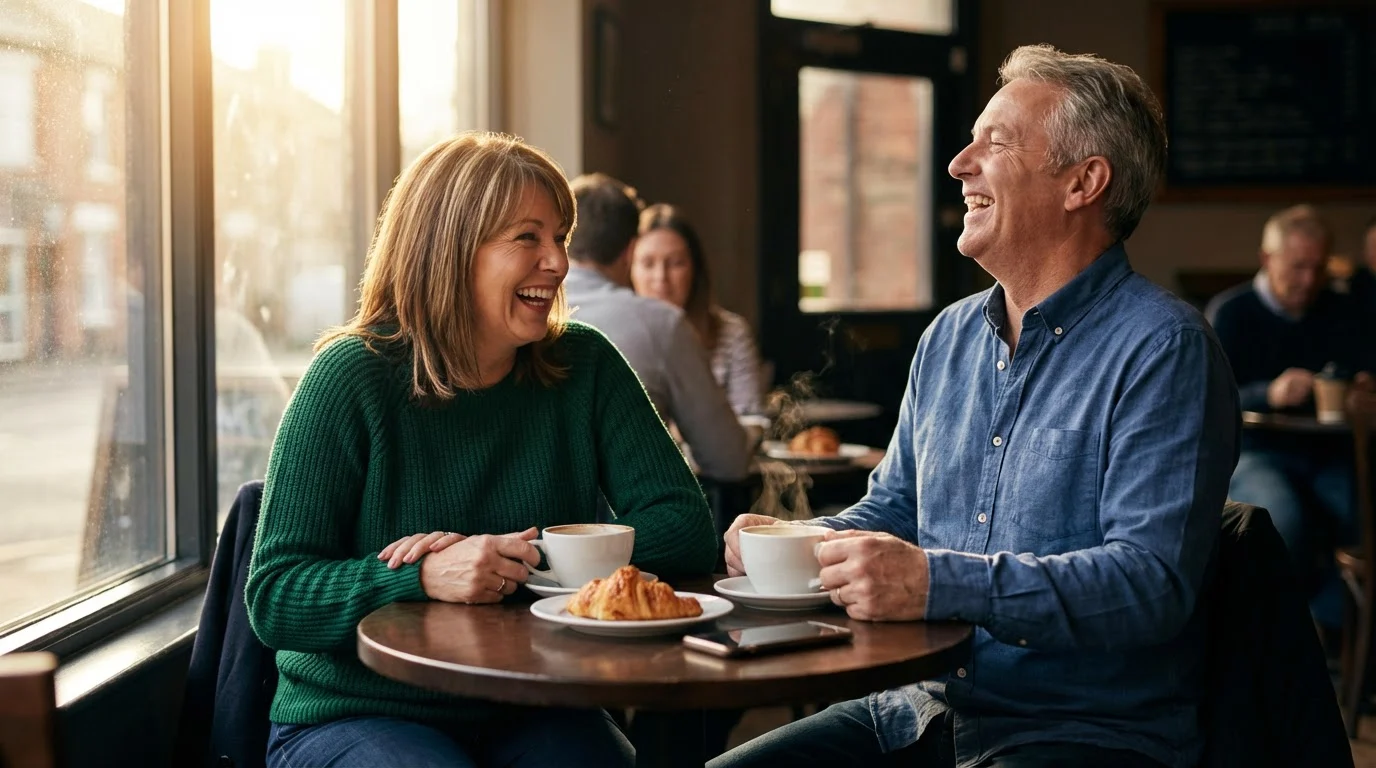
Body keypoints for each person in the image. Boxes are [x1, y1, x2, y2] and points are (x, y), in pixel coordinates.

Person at [713, 44, 1240, 768]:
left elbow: (1149, 584)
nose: (959, 164)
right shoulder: (948, 338)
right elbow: (894, 513)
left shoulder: (1165, 348)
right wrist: (799, 539)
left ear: (1083, 182)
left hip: (1080, 732)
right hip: (910, 708)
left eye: (994, 143)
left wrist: (935, 581)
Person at [245, 132, 718, 768]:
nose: (557, 263)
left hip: (539, 703)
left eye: (560, 239)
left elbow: (685, 527)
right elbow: (275, 595)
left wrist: (516, 558)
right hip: (361, 711)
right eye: (528, 237)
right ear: (450, 250)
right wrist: (421, 574)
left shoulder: (587, 364)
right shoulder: (350, 376)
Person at [1205, 204, 1375, 624]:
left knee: (1365, 519)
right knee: (1282, 520)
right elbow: (1207, 399)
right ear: (1267, 259)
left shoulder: (1342, 310)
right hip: (1258, 450)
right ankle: (1280, 634)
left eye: (1318, 268)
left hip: (1330, 451)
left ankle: (1330, 629)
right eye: (1298, 267)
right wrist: (1269, 392)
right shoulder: (1232, 312)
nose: (1308, 280)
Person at [562, 173, 750, 481]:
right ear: (631, 251)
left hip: (520, 524)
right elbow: (728, 460)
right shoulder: (662, 324)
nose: (661, 278)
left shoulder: (521, 314)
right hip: (626, 522)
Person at [632, 203, 765, 416]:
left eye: (675, 263)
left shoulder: (731, 333)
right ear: (630, 268)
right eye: (648, 264)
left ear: (695, 269)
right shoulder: (618, 336)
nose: (661, 278)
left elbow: (750, 419)